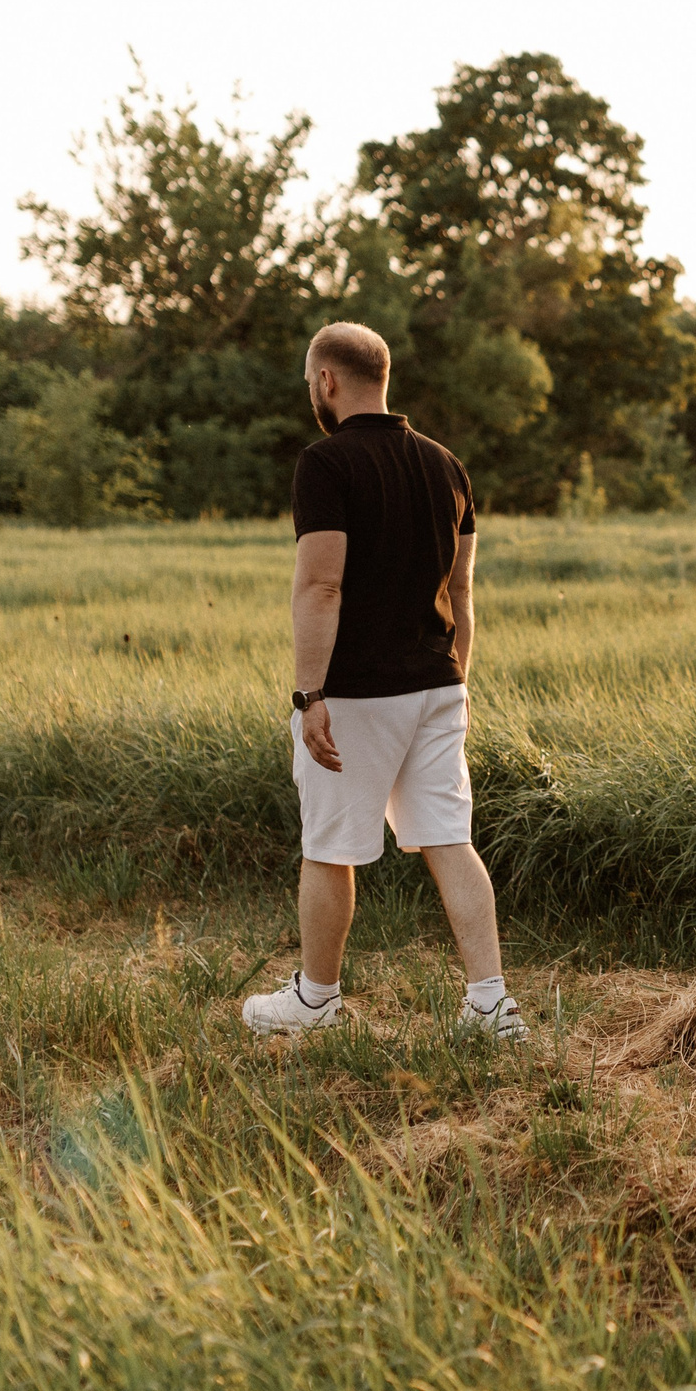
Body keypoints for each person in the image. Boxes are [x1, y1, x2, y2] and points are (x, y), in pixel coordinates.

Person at [240, 321, 530, 1043]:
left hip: (357, 697)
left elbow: (320, 587)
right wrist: (454, 678)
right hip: (440, 684)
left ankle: (316, 1001)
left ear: (327, 382)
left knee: (330, 846)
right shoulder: (448, 466)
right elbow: (461, 596)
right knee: (448, 839)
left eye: (312, 383)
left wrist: (310, 696)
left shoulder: (325, 463)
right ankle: (491, 1004)